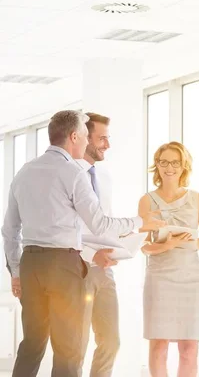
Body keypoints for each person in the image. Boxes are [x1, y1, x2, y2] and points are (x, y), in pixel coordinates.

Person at [2, 110, 165, 377]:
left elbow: (9, 231)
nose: (87, 141)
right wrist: (139, 222)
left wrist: (17, 271)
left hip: (30, 263)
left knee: (32, 343)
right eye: (86, 136)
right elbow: (99, 223)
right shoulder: (73, 173)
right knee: (68, 348)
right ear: (74, 136)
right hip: (63, 264)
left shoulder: (24, 172)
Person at [138, 142, 199, 377]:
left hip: (190, 279)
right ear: (157, 165)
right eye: (164, 162)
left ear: (184, 166)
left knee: (189, 347)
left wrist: (184, 242)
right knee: (158, 344)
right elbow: (143, 246)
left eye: (175, 162)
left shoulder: (197, 199)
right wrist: (168, 244)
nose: (169, 167)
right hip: (160, 278)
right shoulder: (147, 200)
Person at [77, 112, 121, 377]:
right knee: (77, 345)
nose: (107, 144)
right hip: (78, 269)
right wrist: (94, 253)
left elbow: (105, 220)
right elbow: (66, 229)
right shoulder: (69, 176)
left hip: (105, 270)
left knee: (111, 341)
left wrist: (119, 245)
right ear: (85, 138)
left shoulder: (103, 176)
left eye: (108, 137)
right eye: (101, 138)